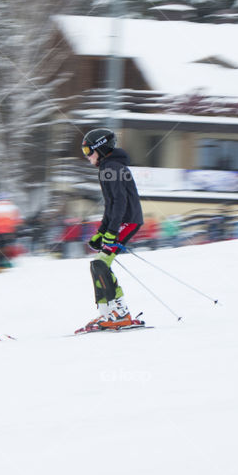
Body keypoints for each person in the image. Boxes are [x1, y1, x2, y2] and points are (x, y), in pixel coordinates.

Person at [78, 128, 146, 332]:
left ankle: (121, 312)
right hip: (121, 221)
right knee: (97, 265)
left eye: (88, 151)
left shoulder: (113, 167)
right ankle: (107, 313)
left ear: (101, 148)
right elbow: (110, 205)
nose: (87, 156)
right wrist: (102, 232)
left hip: (128, 221)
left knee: (101, 263)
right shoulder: (108, 167)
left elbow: (120, 202)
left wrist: (112, 232)